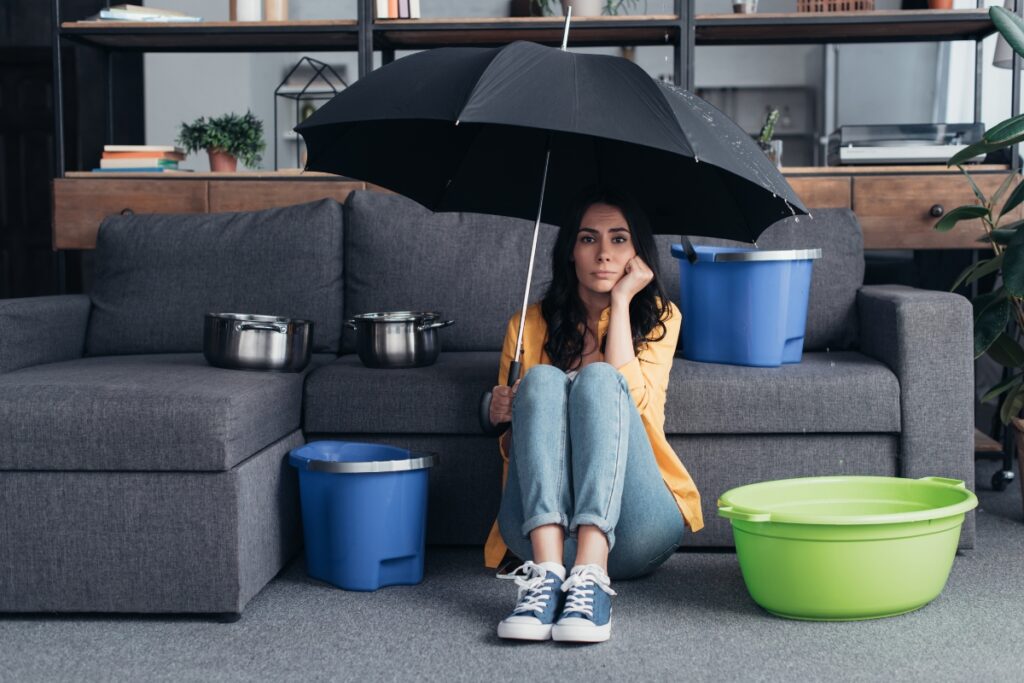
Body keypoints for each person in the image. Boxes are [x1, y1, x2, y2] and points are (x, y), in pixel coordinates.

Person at [483, 188, 704, 644]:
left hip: (637, 528)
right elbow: (512, 450)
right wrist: (500, 410)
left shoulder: (662, 317)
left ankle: (591, 575)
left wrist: (622, 303)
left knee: (603, 379)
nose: (604, 254)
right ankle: (545, 576)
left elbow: (640, 413)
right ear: (570, 252)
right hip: (540, 532)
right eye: (588, 239)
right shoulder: (527, 325)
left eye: (619, 239)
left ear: (637, 252)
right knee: (541, 380)